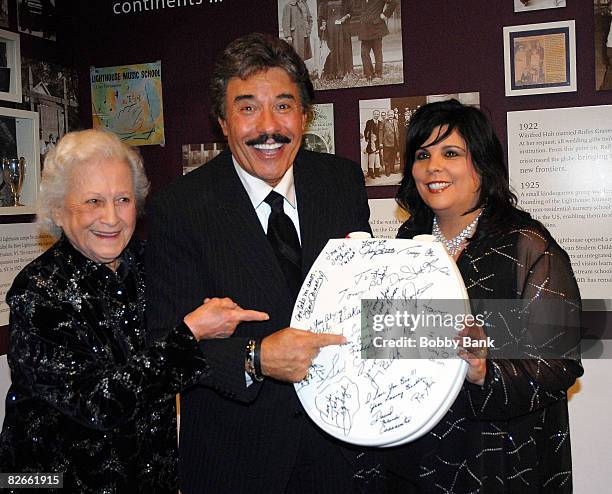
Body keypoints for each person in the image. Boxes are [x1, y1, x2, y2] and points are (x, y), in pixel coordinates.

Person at [145, 32, 377, 493]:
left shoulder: (342, 181)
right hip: (238, 461)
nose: (268, 126)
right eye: (248, 108)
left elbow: (364, 296)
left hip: (341, 454)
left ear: (305, 116)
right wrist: (255, 358)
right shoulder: (179, 209)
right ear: (222, 121)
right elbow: (164, 347)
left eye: (284, 106)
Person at [0, 129, 269, 492]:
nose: (111, 218)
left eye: (122, 199)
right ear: (59, 212)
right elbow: (99, 404)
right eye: (93, 201)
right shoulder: (38, 291)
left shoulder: (149, 264)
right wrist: (189, 334)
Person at [387, 99, 583, 493]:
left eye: (451, 153)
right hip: (416, 449)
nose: (433, 167)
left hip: (498, 456)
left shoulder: (526, 244)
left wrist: (484, 370)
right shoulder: (406, 242)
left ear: (482, 164)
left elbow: (561, 360)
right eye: (423, 155)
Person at [352, 0, 397, 80]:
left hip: (376, 27)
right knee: (364, 53)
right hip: (364, 28)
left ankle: (378, 74)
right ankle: (368, 74)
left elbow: (393, 2)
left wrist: (385, 14)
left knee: (377, 52)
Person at [318, 0, 353, 80]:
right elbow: (322, 17)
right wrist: (323, 25)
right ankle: (331, 73)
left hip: (341, 28)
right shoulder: (324, 2)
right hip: (330, 29)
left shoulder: (345, 1)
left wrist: (344, 18)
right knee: (331, 49)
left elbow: (351, 12)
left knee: (341, 48)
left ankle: (341, 71)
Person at [379, 109, 398, 176]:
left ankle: (392, 169)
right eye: (389, 115)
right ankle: (387, 171)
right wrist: (380, 142)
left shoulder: (396, 121)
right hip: (386, 143)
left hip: (395, 143)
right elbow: (380, 132)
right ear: (387, 115)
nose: (390, 116)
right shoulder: (383, 122)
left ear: (393, 115)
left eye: (392, 115)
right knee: (386, 157)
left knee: (393, 156)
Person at [363, 108, 381, 178]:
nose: (376, 115)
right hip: (371, 142)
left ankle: (377, 173)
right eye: (375, 114)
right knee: (371, 158)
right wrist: (367, 139)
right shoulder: (369, 122)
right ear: (373, 114)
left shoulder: (380, 123)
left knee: (377, 158)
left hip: (378, 142)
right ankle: (371, 173)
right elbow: (366, 131)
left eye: (377, 114)